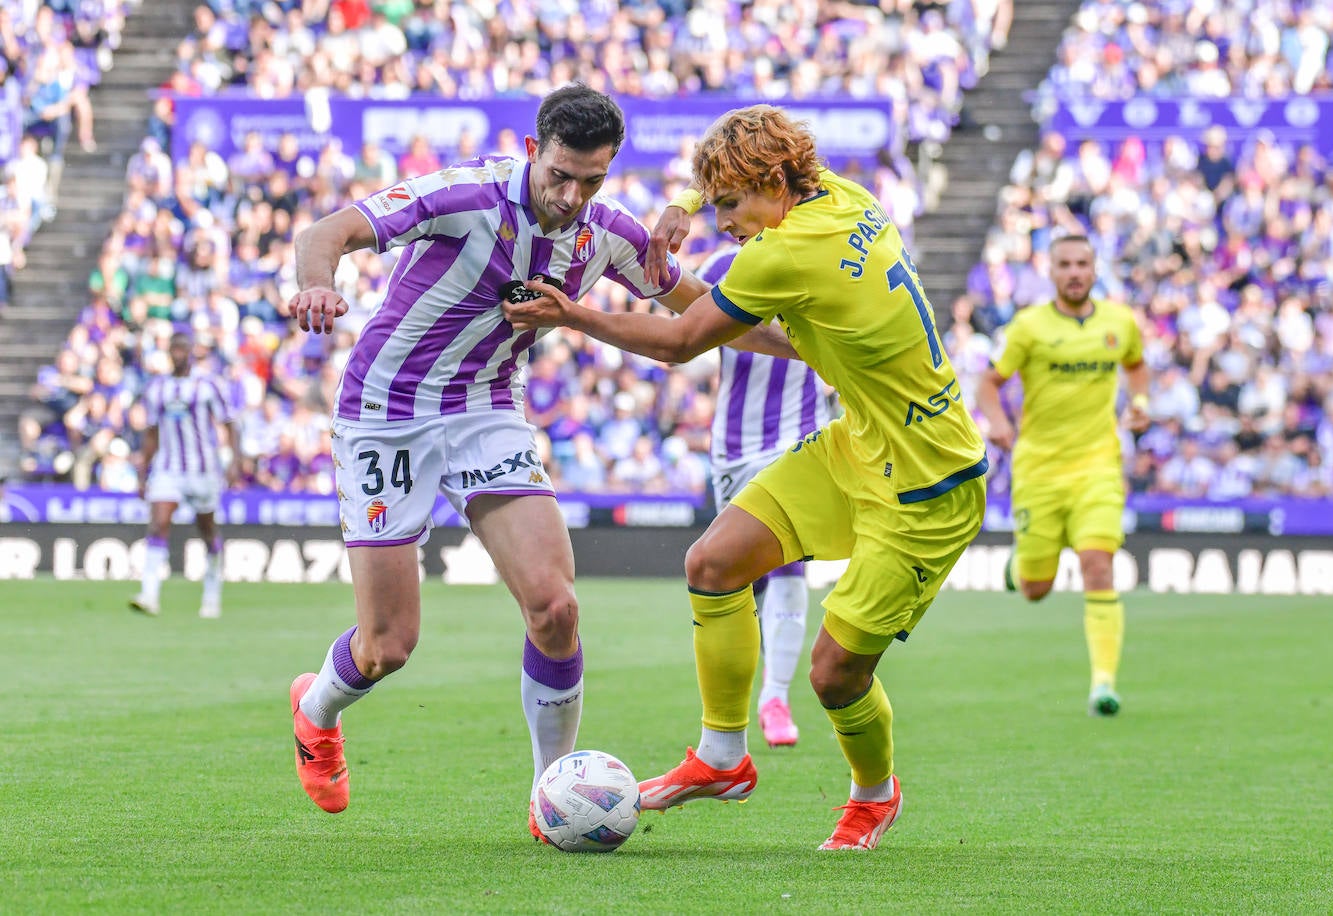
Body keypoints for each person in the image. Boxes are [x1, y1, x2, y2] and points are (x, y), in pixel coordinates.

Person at [284, 85, 791, 828]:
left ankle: (552, 796)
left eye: (592, 181)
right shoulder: (464, 194)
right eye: (561, 176)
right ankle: (316, 712)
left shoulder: (608, 232)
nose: (572, 196)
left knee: (555, 609)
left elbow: (707, 314)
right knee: (389, 645)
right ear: (532, 152)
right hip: (385, 415)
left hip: (487, 409)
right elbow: (325, 233)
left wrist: (812, 346)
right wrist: (317, 287)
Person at [505, 105, 988, 851]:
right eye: (718, 205)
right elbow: (756, 158)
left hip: (928, 486)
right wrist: (687, 203)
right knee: (714, 562)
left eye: (731, 204)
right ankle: (723, 756)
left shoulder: (782, 255)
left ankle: (872, 795)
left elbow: (676, 343)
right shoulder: (842, 196)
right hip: (860, 444)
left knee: (834, 675)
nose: (725, 223)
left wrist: (575, 316)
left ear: (770, 184)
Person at [975, 234, 1150, 717]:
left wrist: (1140, 405)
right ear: (1051, 272)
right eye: (1065, 264)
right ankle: (1019, 569)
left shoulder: (1120, 322)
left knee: (1099, 563)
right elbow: (988, 382)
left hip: (1098, 466)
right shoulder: (1028, 327)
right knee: (1036, 588)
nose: (1074, 272)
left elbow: (1137, 368)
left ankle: (1103, 684)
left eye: (1082, 264)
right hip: (1040, 469)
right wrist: (998, 422)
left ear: (1094, 270)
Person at [697, 243, 832, 748]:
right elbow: (685, 338)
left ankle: (775, 696)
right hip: (733, 447)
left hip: (799, 436)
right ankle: (738, 692)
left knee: (791, 562)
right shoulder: (717, 267)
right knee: (736, 575)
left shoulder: (819, 256)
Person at [130, 331, 240, 619]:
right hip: (168, 468)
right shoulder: (157, 389)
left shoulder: (207, 385)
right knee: (158, 523)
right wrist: (143, 472)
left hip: (202, 469)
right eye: (173, 349)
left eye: (182, 348)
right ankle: (149, 594)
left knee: (206, 530)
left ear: (190, 351)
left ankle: (212, 592)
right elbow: (151, 433)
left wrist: (235, 460)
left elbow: (229, 423)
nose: (177, 353)